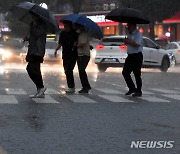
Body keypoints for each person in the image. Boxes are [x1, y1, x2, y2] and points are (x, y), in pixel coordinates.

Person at [23, 12, 47, 98]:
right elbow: (34, 38)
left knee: (29, 68)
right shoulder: (33, 24)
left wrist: (34, 25)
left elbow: (38, 34)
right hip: (32, 50)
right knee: (36, 70)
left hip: (38, 51)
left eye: (33, 16)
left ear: (37, 16)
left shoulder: (42, 25)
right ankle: (40, 90)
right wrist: (28, 38)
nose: (32, 17)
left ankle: (41, 87)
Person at [54, 20, 78, 93]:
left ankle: (71, 87)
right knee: (66, 70)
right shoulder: (63, 33)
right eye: (64, 25)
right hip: (65, 53)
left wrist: (75, 44)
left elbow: (77, 42)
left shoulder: (74, 33)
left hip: (73, 54)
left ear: (70, 25)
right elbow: (60, 43)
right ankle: (70, 86)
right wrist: (56, 50)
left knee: (69, 69)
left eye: (66, 25)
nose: (65, 26)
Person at [121, 23, 143, 97]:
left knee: (137, 73)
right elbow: (129, 44)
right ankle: (132, 88)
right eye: (127, 26)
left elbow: (137, 44)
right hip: (130, 56)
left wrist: (128, 41)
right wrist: (126, 41)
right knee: (125, 72)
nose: (128, 27)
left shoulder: (138, 34)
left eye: (129, 26)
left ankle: (139, 91)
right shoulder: (129, 34)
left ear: (133, 26)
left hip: (137, 55)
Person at [74, 24, 91, 94]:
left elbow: (83, 43)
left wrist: (76, 45)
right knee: (81, 71)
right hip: (80, 55)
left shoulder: (83, 34)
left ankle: (86, 86)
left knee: (82, 70)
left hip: (84, 55)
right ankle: (85, 86)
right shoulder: (80, 34)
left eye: (77, 26)